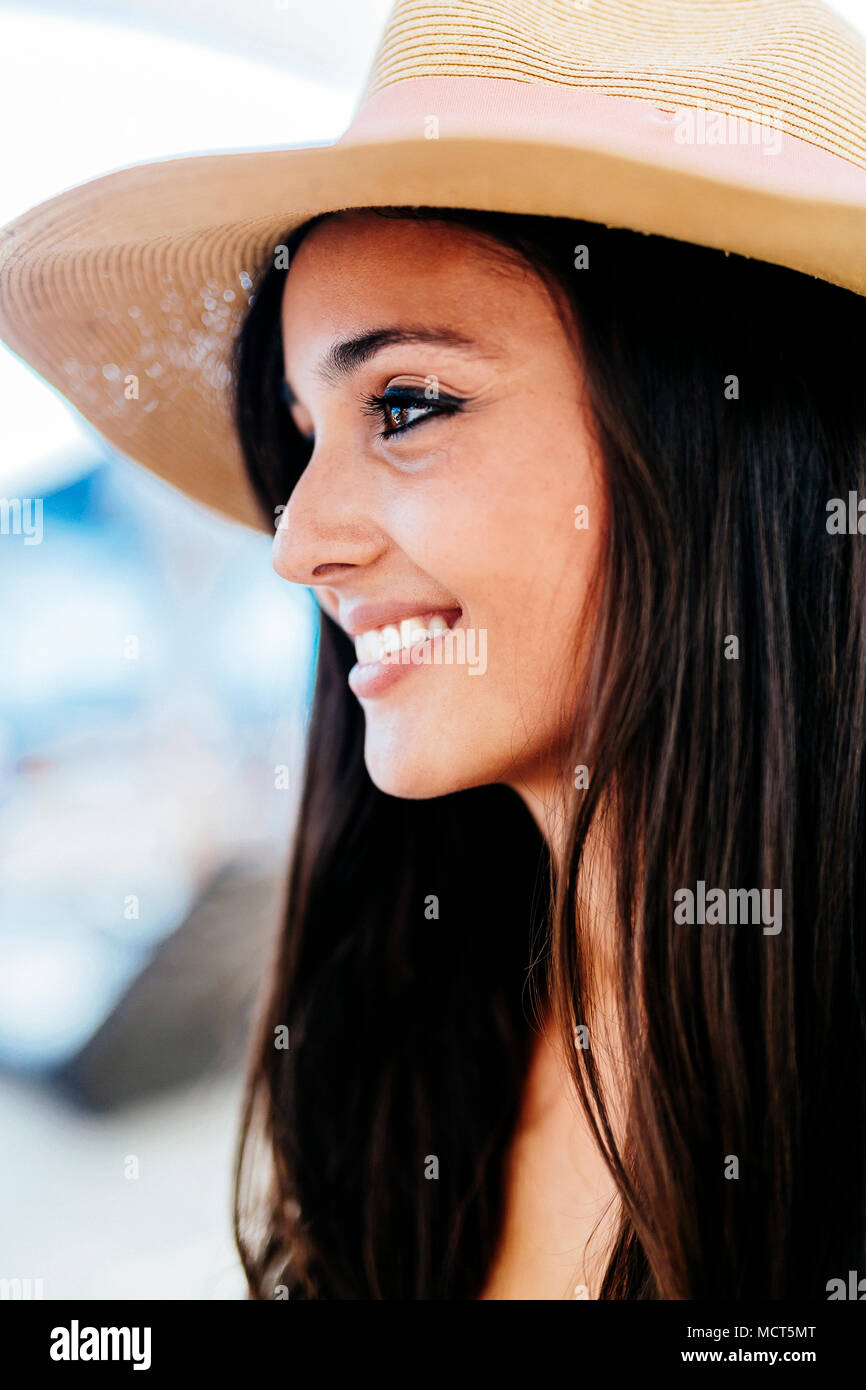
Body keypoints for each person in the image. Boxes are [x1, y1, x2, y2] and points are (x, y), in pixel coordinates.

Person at [2, 0, 865, 1300]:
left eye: (405, 404)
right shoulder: (391, 1038)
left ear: (731, 435)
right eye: (301, 437)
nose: (296, 544)